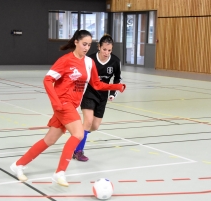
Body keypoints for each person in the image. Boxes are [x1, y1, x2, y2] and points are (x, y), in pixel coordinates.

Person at [10, 30, 126, 187]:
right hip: (63, 104)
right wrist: (56, 103)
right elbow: (47, 80)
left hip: (72, 105)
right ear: (76, 42)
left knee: (49, 140)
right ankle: (60, 172)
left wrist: (116, 86)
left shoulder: (88, 63)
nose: (86, 48)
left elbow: (97, 84)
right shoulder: (65, 60)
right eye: (84, 44)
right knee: (78, 133)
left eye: (89, 45)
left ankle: (18, 165)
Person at [73, 34, 122, 162]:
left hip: (103, 94)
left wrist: (113, 93)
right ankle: (78, 151)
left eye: (109, 50)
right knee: (88, 121)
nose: (106, 53)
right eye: (104, 49)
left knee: (94, 126)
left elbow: (117, 78)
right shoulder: (89, 60)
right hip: (89, 92)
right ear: (99, 47)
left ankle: (77, 137)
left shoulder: (115, 61)